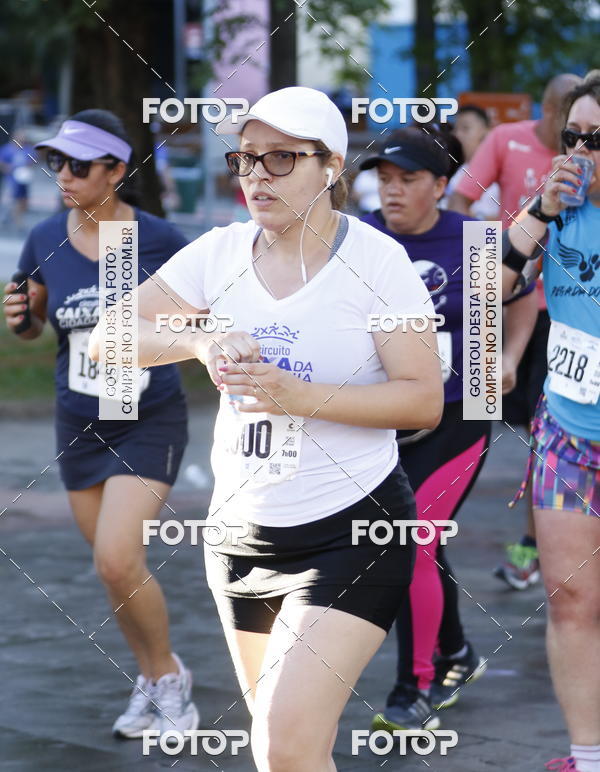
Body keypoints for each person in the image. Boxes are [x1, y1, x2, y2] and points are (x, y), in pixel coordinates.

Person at [92, 86, 445, 771]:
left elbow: (422, 400)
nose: (256, 176)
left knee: (285, 743)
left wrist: (297, 394)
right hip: (239, 538)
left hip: (352, 532)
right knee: (282, 749)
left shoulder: (376, 263)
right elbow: (110, 335)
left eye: (280, 158)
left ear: (331, 166)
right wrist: (198, 339)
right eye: (245, 160)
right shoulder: (219, 253)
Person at [2, 110, 198, 740]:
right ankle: (152, 675)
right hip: (79, 419)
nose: (64, 174)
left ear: (117, 171)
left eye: (80, 165)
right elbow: (37, 325)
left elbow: (205, 318)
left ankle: (171, 684)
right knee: (112, 566)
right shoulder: (42, 238)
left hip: (147, 418)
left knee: (118, 559)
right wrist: (21, 320)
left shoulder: (161, 239)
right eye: (57, 162)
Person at [358, 127, 537, 731]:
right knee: (414, 541)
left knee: (412, 538)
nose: (393, 191)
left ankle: (416, 689)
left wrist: (508, 359)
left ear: (440, 186)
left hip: (461, 409)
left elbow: (521, 302)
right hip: (381, 417)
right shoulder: (357, 238)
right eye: (384, 179)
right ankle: (456, 652)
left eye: (408, 179)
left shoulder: (475, 241)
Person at [501, 71, 600, 772]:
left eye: (598, 139)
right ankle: (587, 756)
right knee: (569, 601)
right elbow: (487, 290)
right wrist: (538, 209)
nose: (581, 151)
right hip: (569, 428)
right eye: (573, 137)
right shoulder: (558, 205)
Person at [449, 74, 582, 590]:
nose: (565, 131)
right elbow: (461, 200)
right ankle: (430, 528)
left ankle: (532, 547)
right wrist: (480, 264)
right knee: (475, 415)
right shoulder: (508, 140)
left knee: (545, 432)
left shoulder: (587, 164)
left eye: (576, 124)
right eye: (559, 119)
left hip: (564, 316)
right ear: (544, 109)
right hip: (504, 298)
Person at [447, 104, 498, 220]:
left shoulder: (501, 171)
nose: (457, 135)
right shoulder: (454, 172)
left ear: (487, 132)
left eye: (465, 128)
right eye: (456, 129)